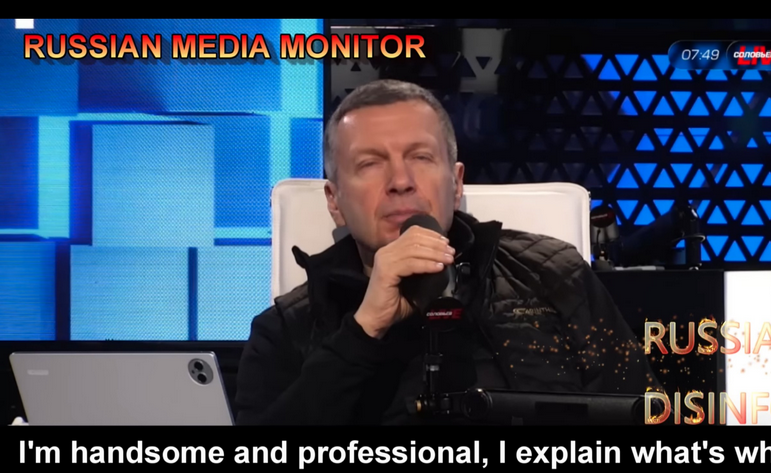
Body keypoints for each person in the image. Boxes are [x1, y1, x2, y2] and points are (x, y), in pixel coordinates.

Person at [235, 79, 660, 425]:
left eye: (420, 157)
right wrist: (363, 331)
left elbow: (648, 419)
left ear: (456, 183)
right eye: (370, 164)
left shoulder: (555, 276)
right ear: (334, 200)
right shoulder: (285, 331)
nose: (400, 181)